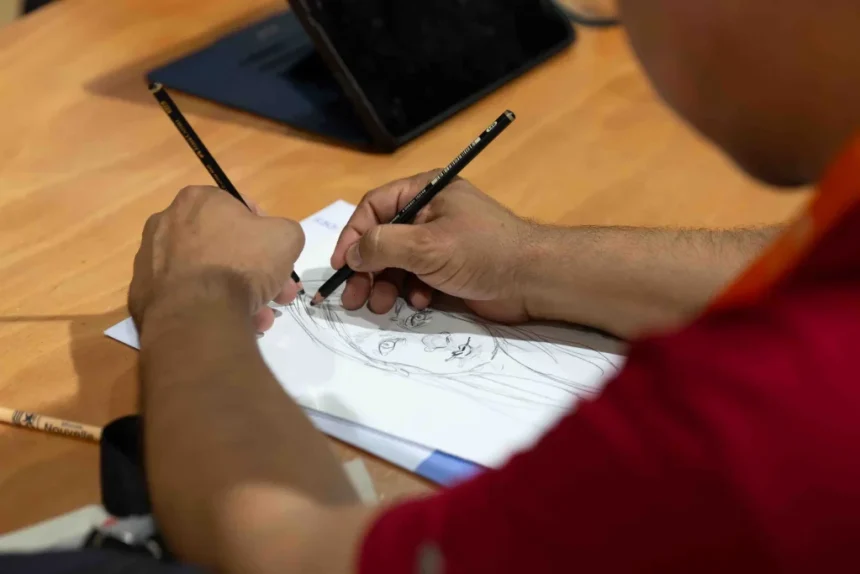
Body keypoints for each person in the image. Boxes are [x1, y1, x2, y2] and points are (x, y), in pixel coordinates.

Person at [126, 0, 860, 572]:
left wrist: (192, 299)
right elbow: (802, 268)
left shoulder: (744, 429)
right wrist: (528, 261)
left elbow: (295, 552)